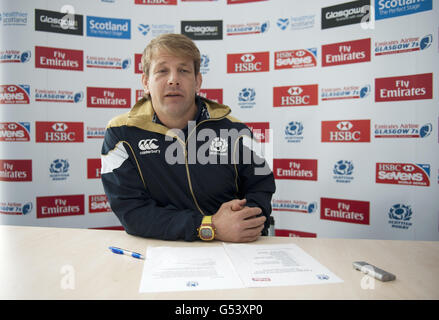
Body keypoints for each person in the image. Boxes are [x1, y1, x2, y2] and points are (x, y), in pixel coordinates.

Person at [100, 33, 275, 242]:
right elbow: (132, 212)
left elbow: (261, 187)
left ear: (197, 81)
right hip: (161, 250)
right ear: (146, 82)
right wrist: (210, 227)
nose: (173, 79)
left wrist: (242, 220)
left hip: (233, 247)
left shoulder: (236, 131)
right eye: (162, 71)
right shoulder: (121, 134)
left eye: (183, 70)